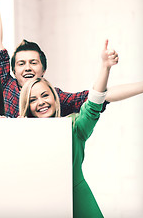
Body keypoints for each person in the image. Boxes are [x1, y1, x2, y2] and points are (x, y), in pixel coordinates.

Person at [0, 0, 143, 118]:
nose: (27, 67)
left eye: (33, 62)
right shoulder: (5, 86)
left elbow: (100, 96)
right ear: (13, 71)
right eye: (21, 64)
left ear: (43, 69)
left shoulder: (54, 97)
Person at [18, 38, 118, 217]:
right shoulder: (20, 134)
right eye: (33, 100)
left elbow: (92, 105)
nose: (41, 102)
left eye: (44, 95)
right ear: (26, 106)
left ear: (55, 98)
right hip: (41, 202)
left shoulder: (73, 126)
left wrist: (105, 67)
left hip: (78, 199)